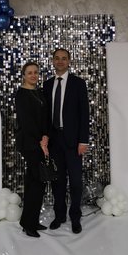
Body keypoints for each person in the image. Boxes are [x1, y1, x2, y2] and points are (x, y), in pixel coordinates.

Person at [43, 48, 89, 234]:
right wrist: (45, 137)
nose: (60, 61)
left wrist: (83, 140)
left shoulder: (78, 83)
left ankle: (75, 217)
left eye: (64, 58)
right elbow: (45, 115)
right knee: (58, 181)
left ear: (69, 61)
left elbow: (84, 113)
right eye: (57, 58)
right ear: (53, 61)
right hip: (54, 140)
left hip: (73, 140)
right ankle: (60, 215)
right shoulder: (47, 85)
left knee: (76, 181)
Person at [14, 61, 50, 238]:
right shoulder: (21, 94)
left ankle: (31, 221)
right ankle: (28, 224)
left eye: (36, 72)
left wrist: (46, 136)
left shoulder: (39, 92)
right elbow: (27, 123)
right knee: (35, 184)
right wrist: (40, 142)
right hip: (30, 143)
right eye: (29, 73)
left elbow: (45, 118)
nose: (33, 75)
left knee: (38, 183)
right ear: (24, 75)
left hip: (41, 142)